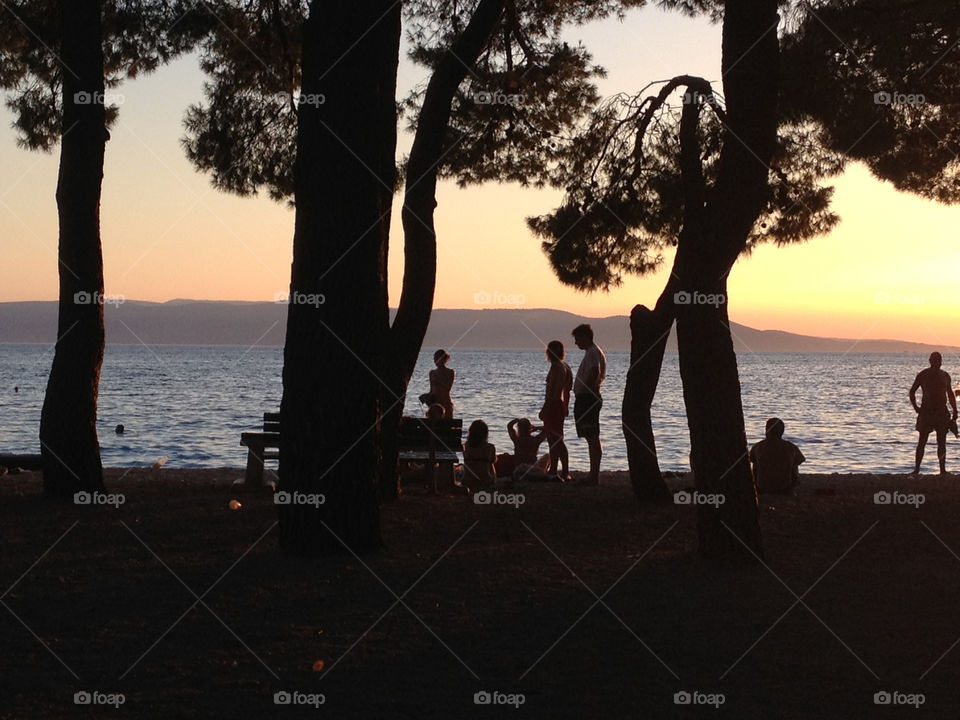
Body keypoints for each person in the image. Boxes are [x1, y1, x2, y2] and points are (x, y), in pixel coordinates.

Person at [910, 351, 958, 476]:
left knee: (941, 441)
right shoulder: (923, 375)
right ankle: (917, 469)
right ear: (930, 361)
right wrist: (916, 407)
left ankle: (942, 470)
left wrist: (955, 410)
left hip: (942, 412)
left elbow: (950, 394)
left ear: (941, 361)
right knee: (922, 441)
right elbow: (912, 391)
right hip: (926, 412)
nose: (937, 362)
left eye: (939, 360)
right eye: (935, 360)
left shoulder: (945, 376)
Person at [572, 324, 606, 485]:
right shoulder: (593, 352)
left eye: (577, 339)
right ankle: (593, 474)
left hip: (588, 398)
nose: (576, 343)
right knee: (590, 436)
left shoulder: (592, 352)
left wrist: (588, 391)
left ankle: (594, 476)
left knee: (591, 436)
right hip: (587, 397)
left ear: (585, 337)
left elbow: (595, 371)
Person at [540, 340, 573, 479]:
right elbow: (567, 391)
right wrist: (565, 406)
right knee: (553, 438)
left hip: (554, 406)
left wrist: (546, 408)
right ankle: (554, 468)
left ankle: (564, 470)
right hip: (558, 406)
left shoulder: (557, 367)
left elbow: (555, 390)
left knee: (556, 439)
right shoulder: (565, 366)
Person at [749, 417, 805, 494]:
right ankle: (791, 486)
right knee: (794, 462)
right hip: (785, 487)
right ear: (782, 431)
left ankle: (756, 484)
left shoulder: (758, 446)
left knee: (755, 462)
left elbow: (751, 459)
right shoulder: (790, 446)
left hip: (762, 486)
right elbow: (800, 460)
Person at [462, 419, 496, 491]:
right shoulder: (490, 447)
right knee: (490, 464)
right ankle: (493, 480)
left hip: (467, 481)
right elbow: (492, 462)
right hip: (485, 481)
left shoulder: (465, 446)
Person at [428, 349, 455, 419]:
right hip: (435, 403)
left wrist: (438, 382)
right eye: (434, 359)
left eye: (436, 358)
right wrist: (427, 397)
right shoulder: (432, 373)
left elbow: (448, 388)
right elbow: (431, 390)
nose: (434, 361)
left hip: (446, 403)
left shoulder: (450, 372)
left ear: (443, 359)